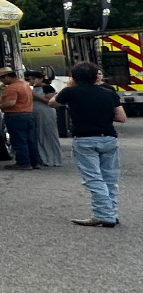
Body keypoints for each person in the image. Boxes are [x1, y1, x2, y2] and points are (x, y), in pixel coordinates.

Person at [55, 61, 125, 228]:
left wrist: (69, 85)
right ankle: (111, 212)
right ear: (96, 76)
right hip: (108, 137)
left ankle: (104, 215)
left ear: (74, 77)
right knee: (110, 178)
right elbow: (121, 117)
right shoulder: (109, 92)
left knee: (94, 178)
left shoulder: (70, 92)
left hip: (84, 138)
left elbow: (52, 103)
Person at [0, 67, 36, 170]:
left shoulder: (11, 88)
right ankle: (35, 162)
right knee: (29, 140)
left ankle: (23, 163)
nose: (1, 81)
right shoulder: (24, 85)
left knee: (19, 140)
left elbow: (11, 103)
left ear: (7, 77)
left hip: (16, 116)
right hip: (28, 114)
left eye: (1, 79)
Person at [29, 70, 65, 167]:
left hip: (46, 112)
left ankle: (53, 159)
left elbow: (51, 102)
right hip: (36, 113)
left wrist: (36, 96)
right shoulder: (31, 88)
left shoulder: (47, 88)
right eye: (30, 79)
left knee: (48, 134)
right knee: (39, 135)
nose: (31, 81)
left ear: (41, 79)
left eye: (34, 78)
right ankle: (43, 158)